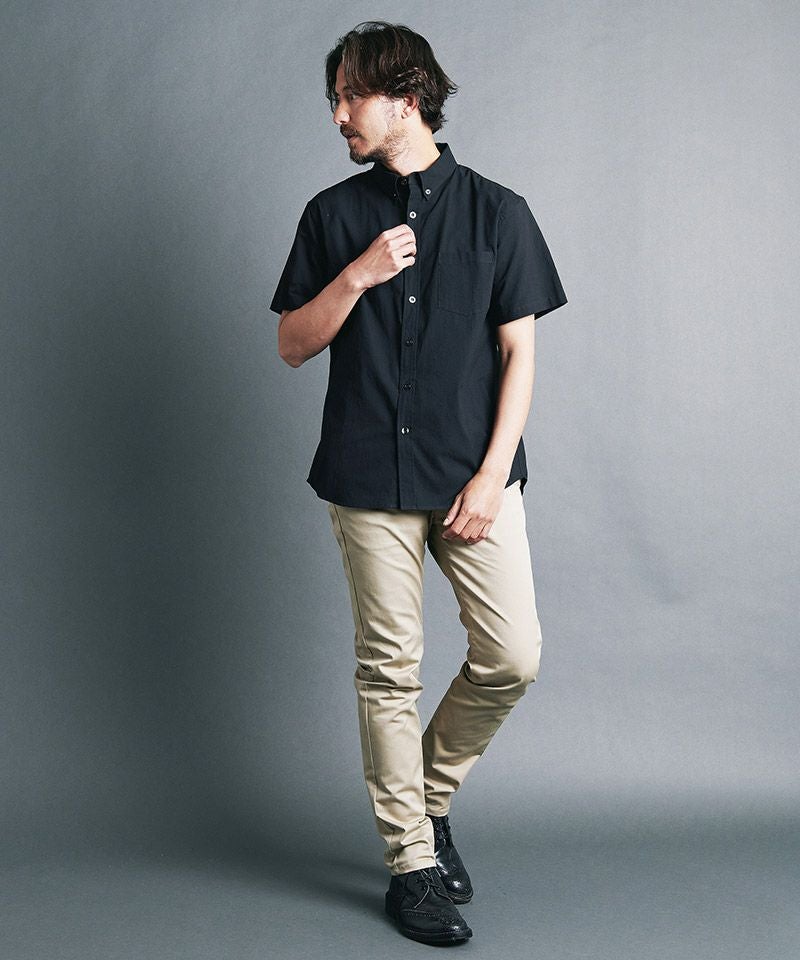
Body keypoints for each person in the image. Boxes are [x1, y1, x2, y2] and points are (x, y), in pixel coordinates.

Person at [269, 20, 567, 946]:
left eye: (350, 96)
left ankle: (426, 802)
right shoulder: (331, 216)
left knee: (512, 656)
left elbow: (519, 356)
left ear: (406, 100)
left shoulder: (499, 213)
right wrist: (356, 277)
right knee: (389, 669)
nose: (338, 115)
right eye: (335, 98)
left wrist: (491, 475)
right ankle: (411, 865)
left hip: (473, 477)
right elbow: (291, 344)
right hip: (366, 475)